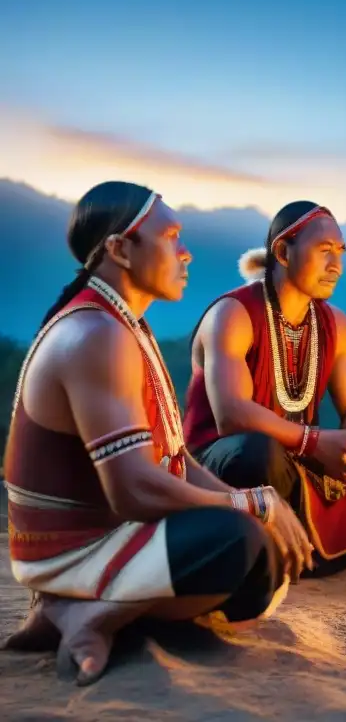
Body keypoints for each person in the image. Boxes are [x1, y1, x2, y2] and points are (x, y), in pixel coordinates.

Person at [2, 182, 308, 686]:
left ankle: (92, 605)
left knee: (263, 570)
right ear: (120, 249)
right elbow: (134, 488)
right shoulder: (95, 333)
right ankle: (87, 612)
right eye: (170, 237)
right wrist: (248, 508)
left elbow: (175, 458)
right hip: (74, 548)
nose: (185, 252)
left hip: (116, 531)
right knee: (237, 539)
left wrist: (253, 497)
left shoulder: (126, 327)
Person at [183, 201, 346, 578]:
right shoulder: (233, 314)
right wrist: (315, 444)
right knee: (257, 452)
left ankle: (333, 550)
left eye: (340, 253)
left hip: (300, 457)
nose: (337, 266)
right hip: (225, 458)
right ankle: (291, 551)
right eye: (324, 251)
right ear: (283, 252)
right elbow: (231, 414)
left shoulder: (336, 324)